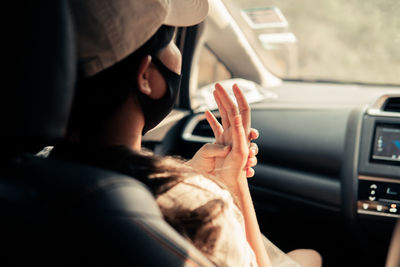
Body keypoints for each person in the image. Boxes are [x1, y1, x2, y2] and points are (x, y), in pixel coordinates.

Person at [52, 0, 322, 266]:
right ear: (145, 75)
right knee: (312, 256)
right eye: (169, 39)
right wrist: (234, 186)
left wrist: (191, 173)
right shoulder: (199, 211)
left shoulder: (27, 177)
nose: (176, 49)